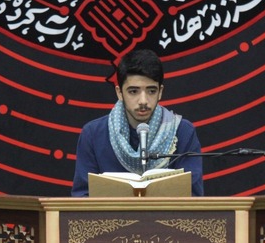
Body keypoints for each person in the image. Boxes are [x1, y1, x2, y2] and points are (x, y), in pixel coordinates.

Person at [72, 49, 203, 196]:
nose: (143, 101)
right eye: (133, 91)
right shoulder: (93, 134)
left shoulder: (182, 132)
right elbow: (82, 197)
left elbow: (193, 197)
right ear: (119, 92)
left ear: (160, 92)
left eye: (151, 91)